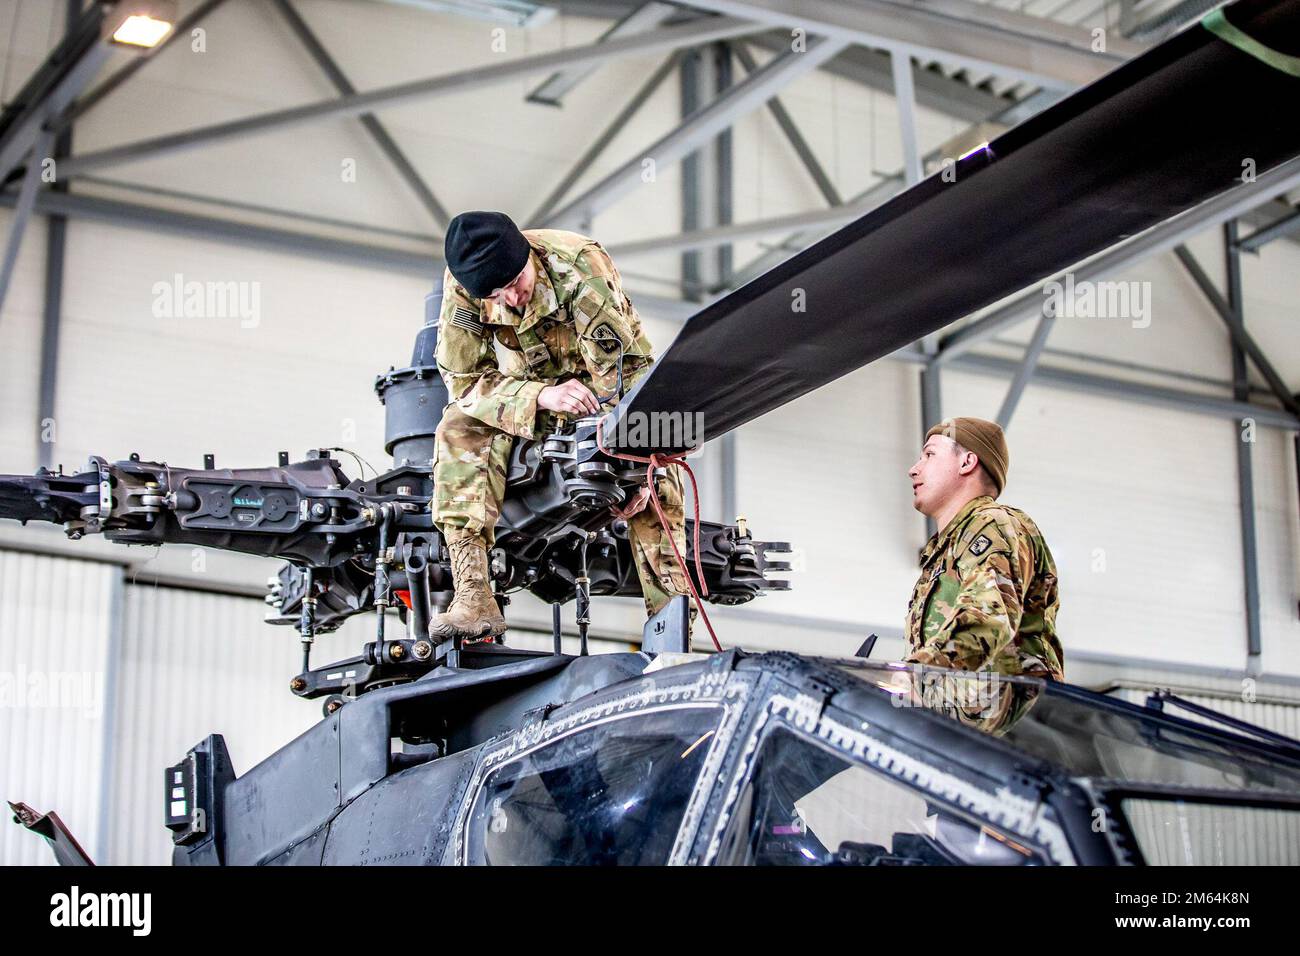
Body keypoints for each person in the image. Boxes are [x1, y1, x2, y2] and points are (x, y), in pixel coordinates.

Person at [427, 210, 692, 641]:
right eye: (496, 294)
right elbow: (463, 381)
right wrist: (538, 397)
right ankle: (473, 593)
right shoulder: (464, 286)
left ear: (528, 256)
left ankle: (671, 629)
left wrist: (636, 468)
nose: (510, 299)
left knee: (658, 486)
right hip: (533, 393)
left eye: (515, 283)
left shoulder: (578, 266)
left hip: (605, 387)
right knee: (457, 428)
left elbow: (621, 378)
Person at [901, 416, 1064, 729]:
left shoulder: (991, 525)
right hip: (966, 736)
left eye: (930, 454)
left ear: (967, 462)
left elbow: (988, 618)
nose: (914, 468)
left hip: (1011, 735)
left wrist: (908, 675)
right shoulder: (945, 551)